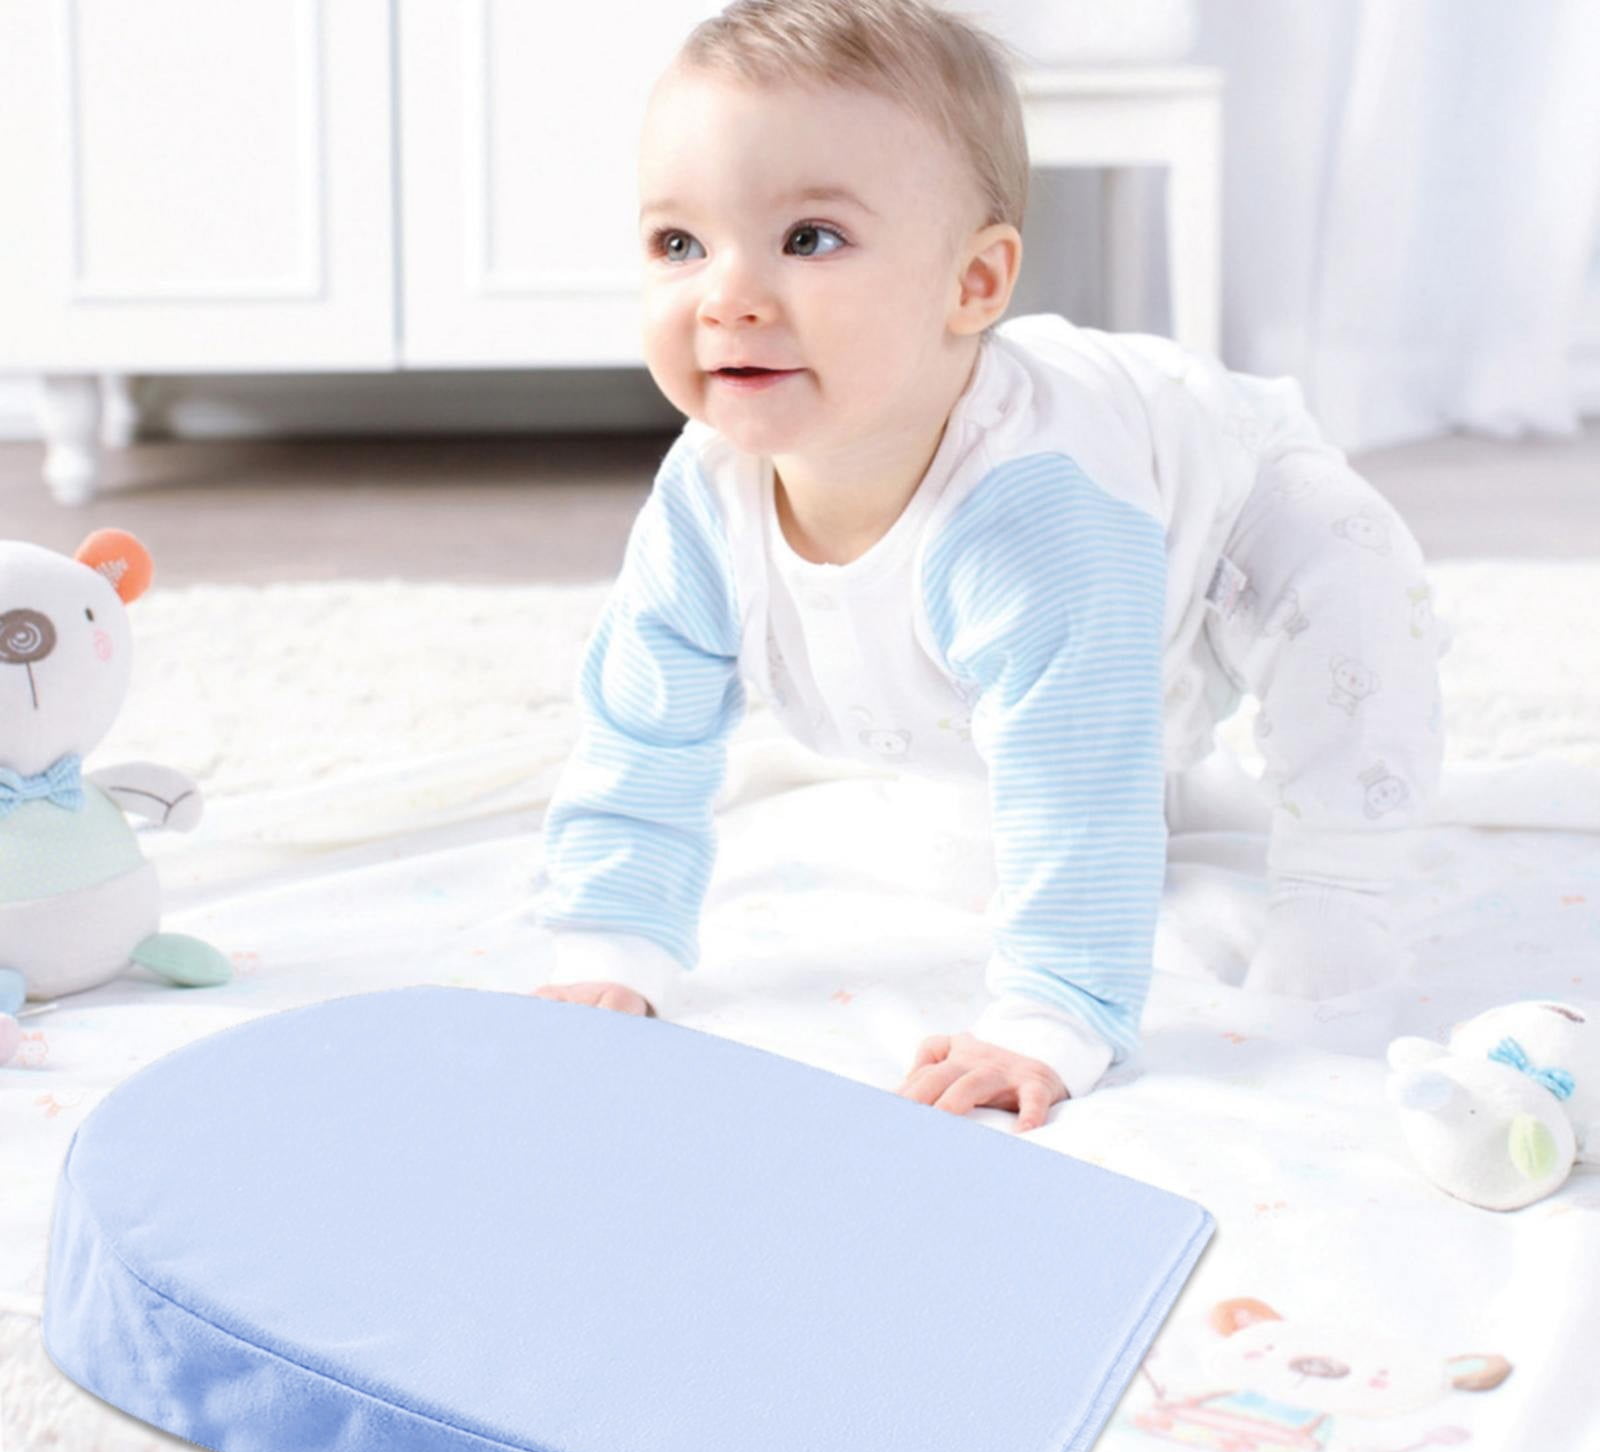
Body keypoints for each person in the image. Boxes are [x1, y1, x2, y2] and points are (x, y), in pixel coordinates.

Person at [532, 0, 1445, 1132]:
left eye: (809, 238)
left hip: (1225, 510)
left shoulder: (1035, 516)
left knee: (1348, 587)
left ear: (972, 284)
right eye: (679, 244)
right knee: (1033, 723)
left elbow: (1081, 779)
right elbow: (641, 731)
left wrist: (1051, 1015)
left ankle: (1342, 877)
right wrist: (612, 943)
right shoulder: (705, 494)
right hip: (1068, 610)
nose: (726, 296)